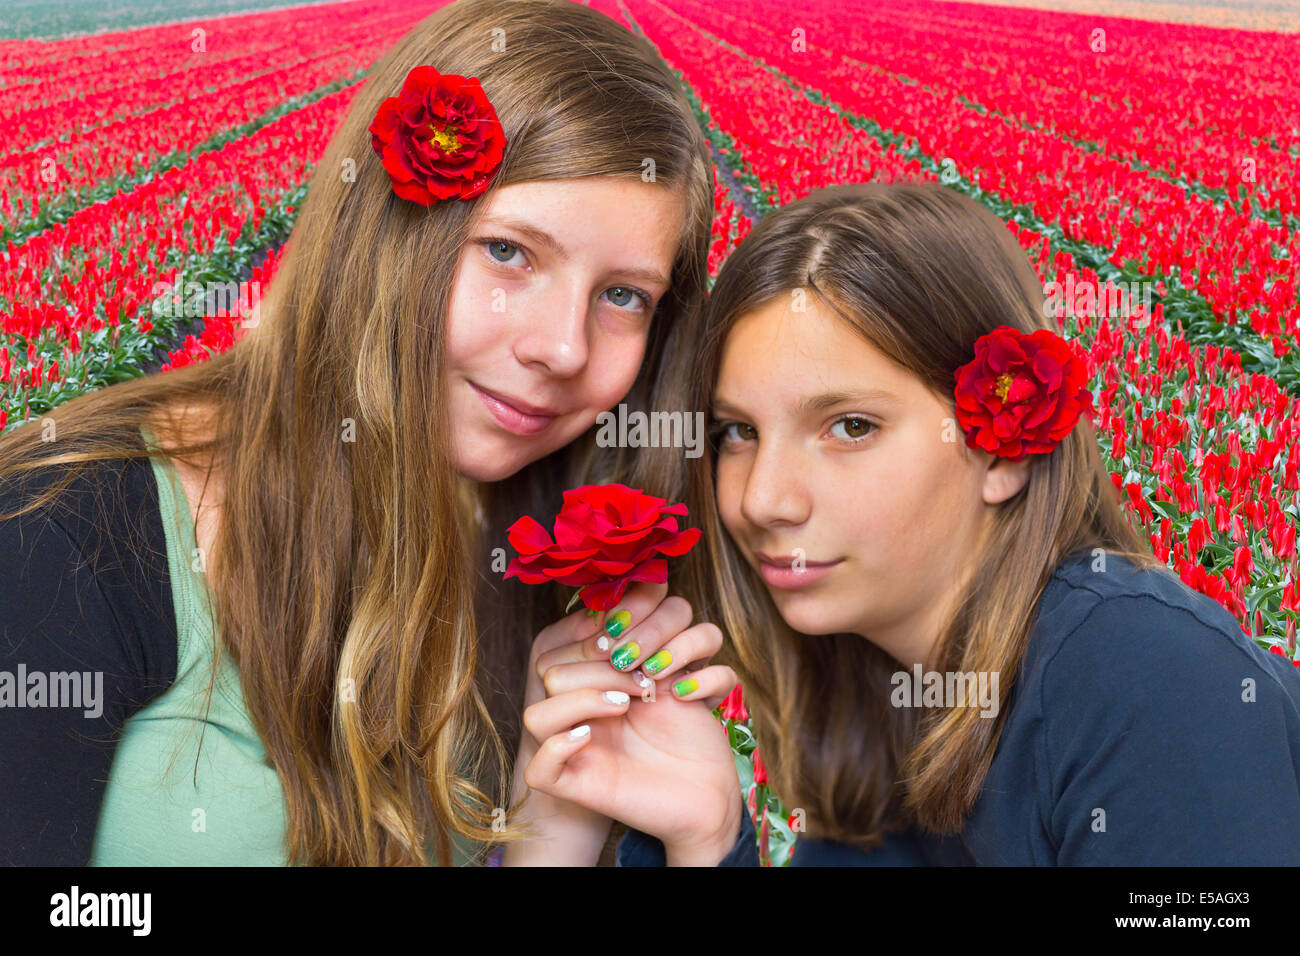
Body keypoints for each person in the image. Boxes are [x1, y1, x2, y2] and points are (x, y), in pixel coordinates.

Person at [0, 0, 728, 866]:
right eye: (509, 253)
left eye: (624, 297)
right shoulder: (67, 525)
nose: (564, 347)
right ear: (387, 235)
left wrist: (582, 831)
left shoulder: (545, 565)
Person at [520, 182, 1300, 865]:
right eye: (737, 433)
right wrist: (706, 839)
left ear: (1004, 447)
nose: (764, 499)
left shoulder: (1147, 682)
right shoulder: (878, 694)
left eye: (850, 426)